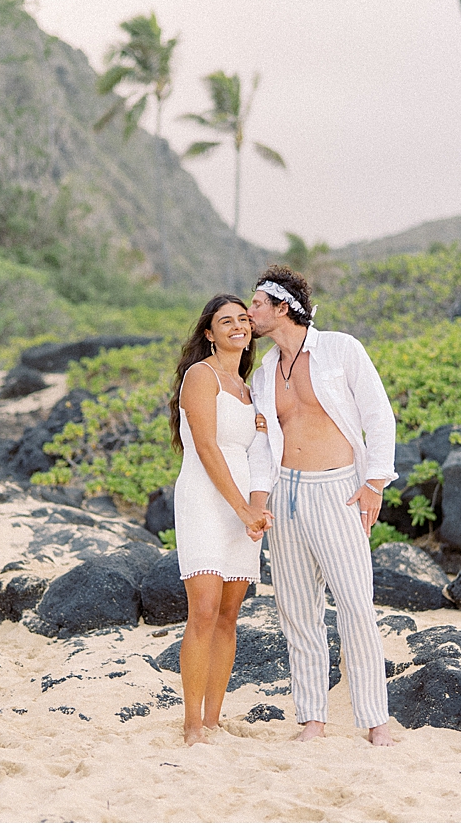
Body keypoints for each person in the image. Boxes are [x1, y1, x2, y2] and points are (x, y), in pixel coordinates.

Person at [246, 265, 398, 747]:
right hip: (285, 494)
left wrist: (374, 483)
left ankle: (376, 721)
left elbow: (379, 415)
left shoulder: (341, 349)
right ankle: (312, 718)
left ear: (282, 306)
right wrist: (260, 500)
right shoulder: (266, 370)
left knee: (355, 605)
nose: (250, 314)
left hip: (338, 490)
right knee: (296, 609)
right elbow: (261, 444)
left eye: (256, 305)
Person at [168, 294, 274, 746]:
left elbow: (260, 454)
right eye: (225, 320)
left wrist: (257, 508)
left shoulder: (252, 391)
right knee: (204, 611)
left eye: (243, 320)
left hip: (243, 507)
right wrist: (241, 507)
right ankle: (192, 726)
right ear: (209, 333)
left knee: (229, 614)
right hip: (205, 499)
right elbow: (208, 448)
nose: (238, 326)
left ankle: (214, 719)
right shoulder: (200, 375)